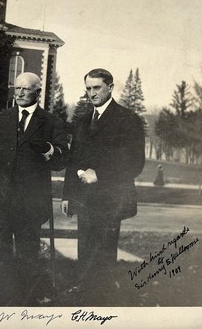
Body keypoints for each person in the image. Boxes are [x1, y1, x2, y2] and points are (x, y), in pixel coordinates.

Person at [0, 72, 68, 305]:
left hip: (30, 204)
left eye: (25, 89)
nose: (18, 93)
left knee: (28, 255)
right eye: (16, 88)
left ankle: (24, 302)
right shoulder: (0, 120)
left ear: (38, 92)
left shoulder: (51, 122)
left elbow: (61, 159)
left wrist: (49, 150)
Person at [62, 68, 145, 295]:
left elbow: (135, 162)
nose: (91, 93)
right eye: (88, 88)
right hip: (83, 197)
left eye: (96, 87)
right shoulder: (82, 121)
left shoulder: (128, 119)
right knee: (85, 245)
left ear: (110, 87)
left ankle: (103, 295)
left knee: (105, 249)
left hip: (111, 198)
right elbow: (73, 159)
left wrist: (100, 174)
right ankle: (83, 290)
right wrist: (67, 195)